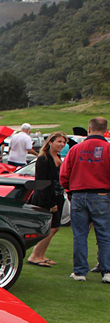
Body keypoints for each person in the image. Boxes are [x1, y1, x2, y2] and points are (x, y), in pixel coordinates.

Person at [60, 117, 110, 282]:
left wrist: (69, 189)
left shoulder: (76, 149)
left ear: (89, 129)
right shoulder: (108, 148)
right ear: (105, 130)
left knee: (80, 235)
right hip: (102, 195)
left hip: (79, 194)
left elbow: (64, 174)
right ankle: (107, 271)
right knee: (104, 235)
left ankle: (80, 271)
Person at [26, 132, 67, 267]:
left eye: (63, 142)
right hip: (47, 197)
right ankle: (35, 255)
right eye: (59, 141)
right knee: (51, 227)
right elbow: (41, 182)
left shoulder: (58, 156)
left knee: (55, 227)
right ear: (50, 142)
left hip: (58, 195)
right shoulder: (44, 159)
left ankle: (41, 254)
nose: (61, 144)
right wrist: (50, 203)